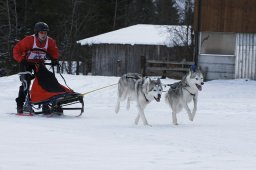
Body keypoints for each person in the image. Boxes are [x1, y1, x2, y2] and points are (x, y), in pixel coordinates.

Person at [13, 22, 59, 114]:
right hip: (26, 63)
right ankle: (20, 105)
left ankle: (45, 104)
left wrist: (54, 59)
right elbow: (16, 50)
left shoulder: (50, 41)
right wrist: (21, 60)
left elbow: (54, 51)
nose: (44, 35)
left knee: (46, 81)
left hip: (39, 63)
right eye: (41, 33)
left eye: (45, 33)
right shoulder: (29, 40)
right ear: (37, 33)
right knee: (26, 82)